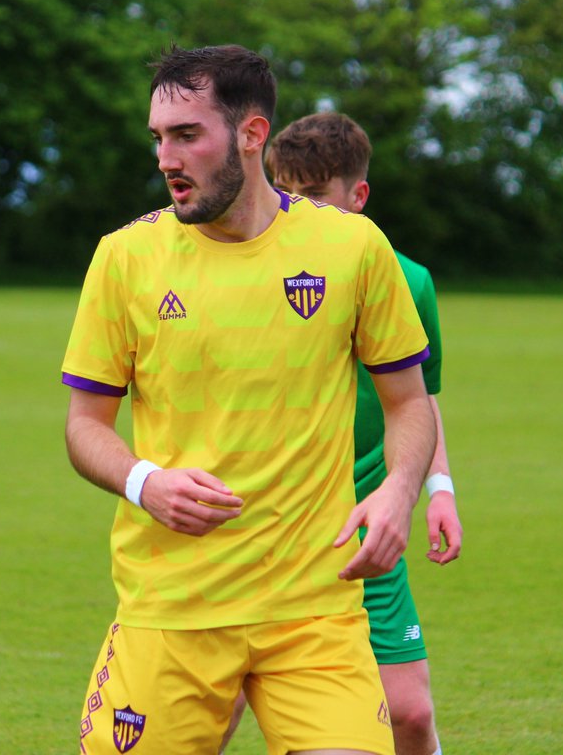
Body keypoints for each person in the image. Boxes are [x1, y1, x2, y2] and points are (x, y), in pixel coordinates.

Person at [61, 44, 436, 755]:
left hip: (314, 612)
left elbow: (409, 404)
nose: (166, 158)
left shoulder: (354, 248)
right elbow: (84, 426)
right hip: (173, 609)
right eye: (158, 138)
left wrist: (399, 492)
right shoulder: (124, 257)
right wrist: (145, 482)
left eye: (186, 135)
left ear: (252, 134)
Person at [221, 112, 464, 755]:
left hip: (364, 527)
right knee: (217, 711)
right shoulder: (246, 271)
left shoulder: (409, 282)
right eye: (283, 191)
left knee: (409, 714)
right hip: (263, 528)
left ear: (358, 196)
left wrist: (438, 489)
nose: (294, 208)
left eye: (313, 195)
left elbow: (418, 400)